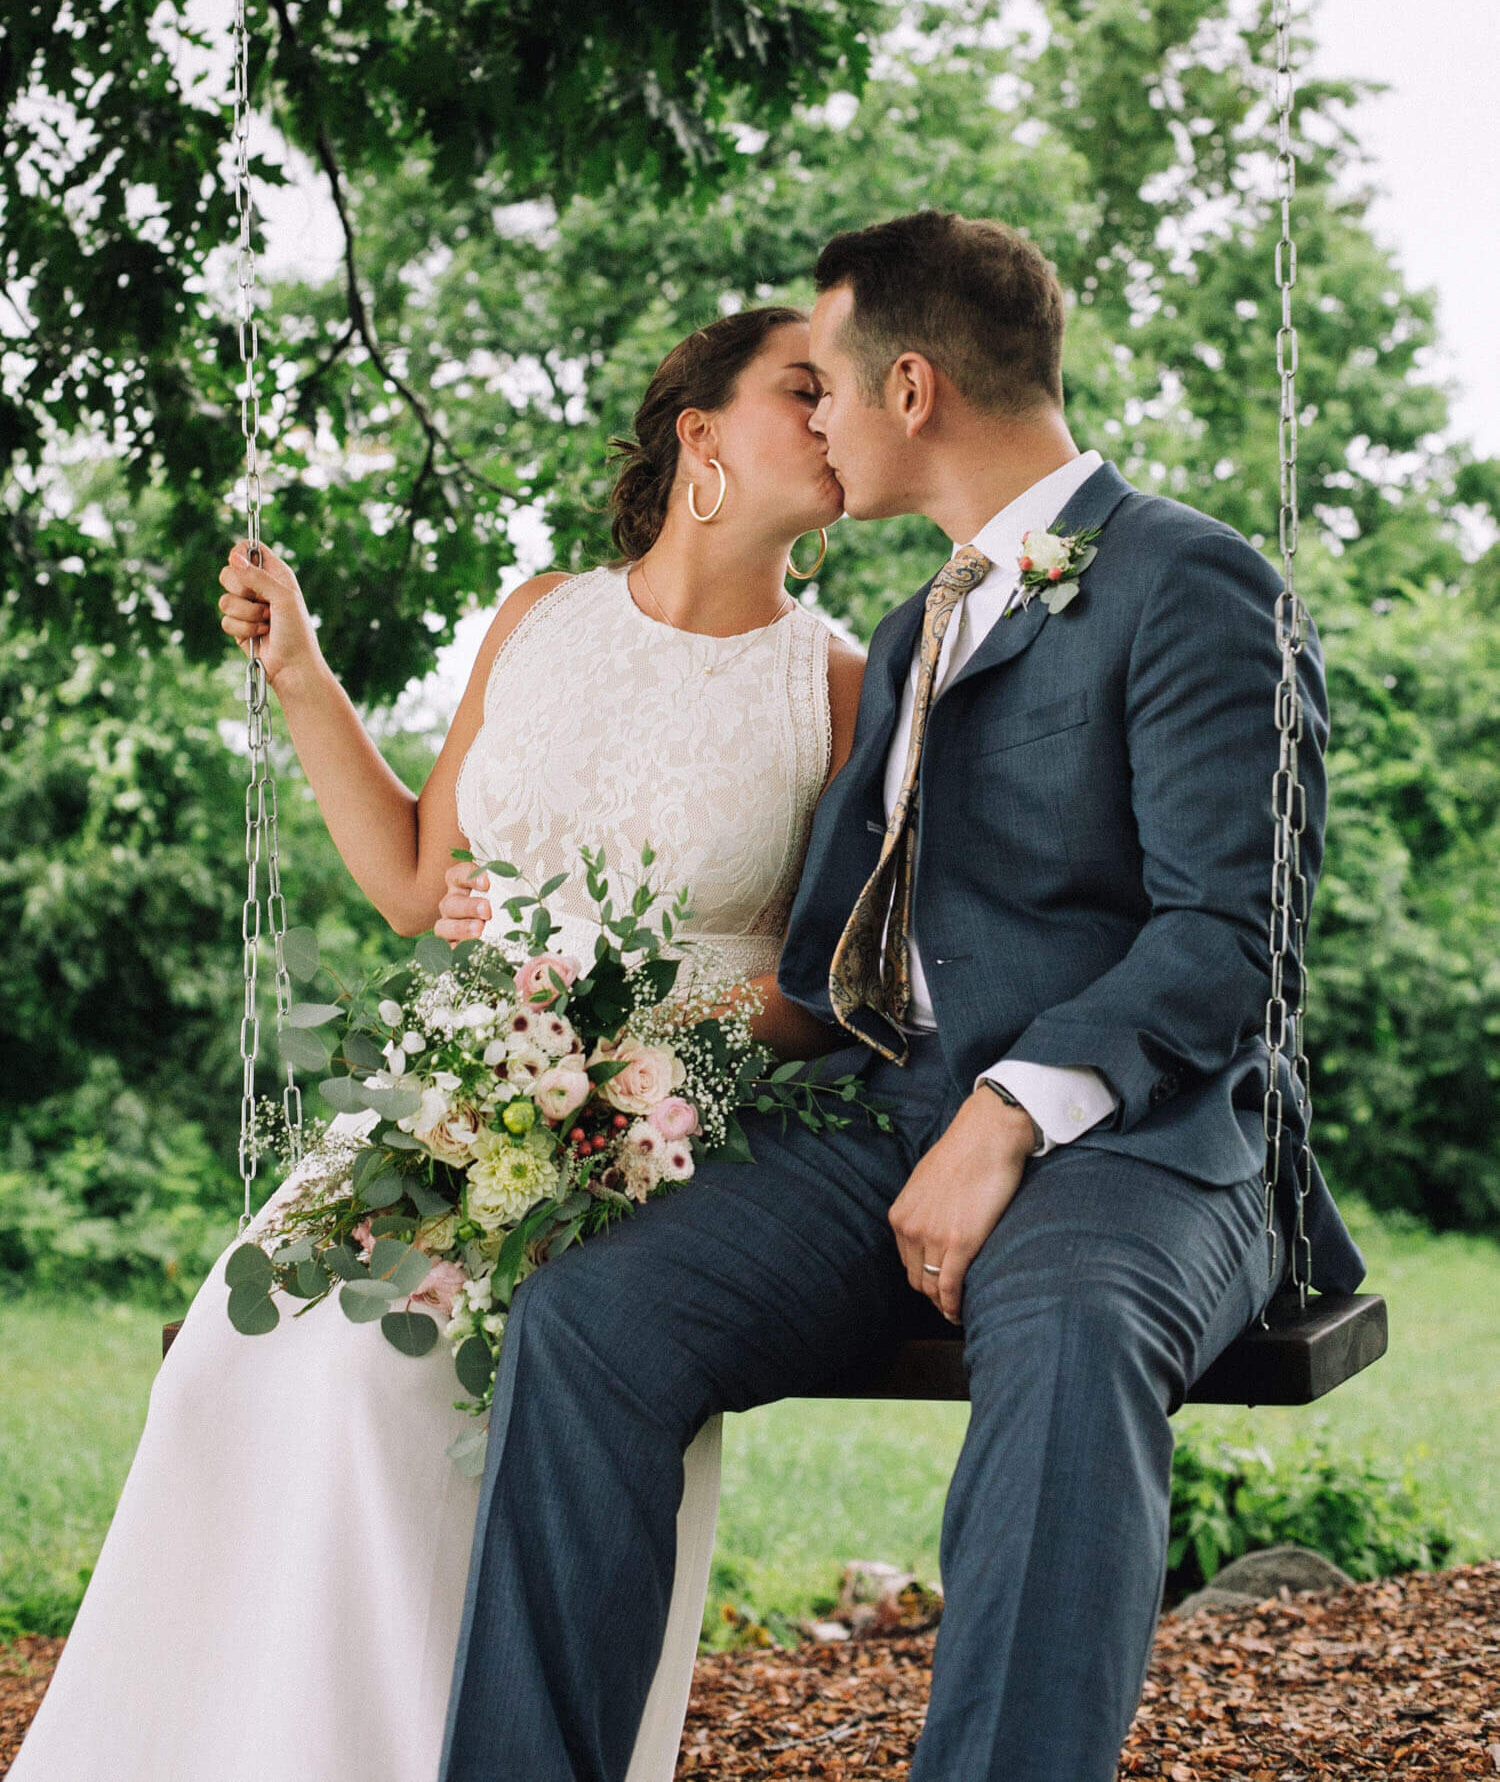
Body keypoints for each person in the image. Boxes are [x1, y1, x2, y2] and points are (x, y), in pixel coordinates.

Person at [435, 209, 1368, 1782]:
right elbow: (825, 956)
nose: (821, 422)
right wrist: (595, 1014)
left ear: (914, 389)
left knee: (1072, 1328)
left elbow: (1235, 939)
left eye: (832, 388)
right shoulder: (913, 621)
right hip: (883, 1129)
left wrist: (1012, 1109)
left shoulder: (1197, 585)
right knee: (591, 1317)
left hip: (1147, 1145)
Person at [11, 303, 863, 1782]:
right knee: (232, 1351)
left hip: (657, 1126)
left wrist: (648, 1045)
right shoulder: (544, 615)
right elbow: (415, 877)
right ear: (701, 433)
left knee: (386, 1386)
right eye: (807, 389)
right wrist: (300, 671)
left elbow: (831, 983)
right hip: (462, 1087)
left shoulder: (837, 681)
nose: (841, 416)